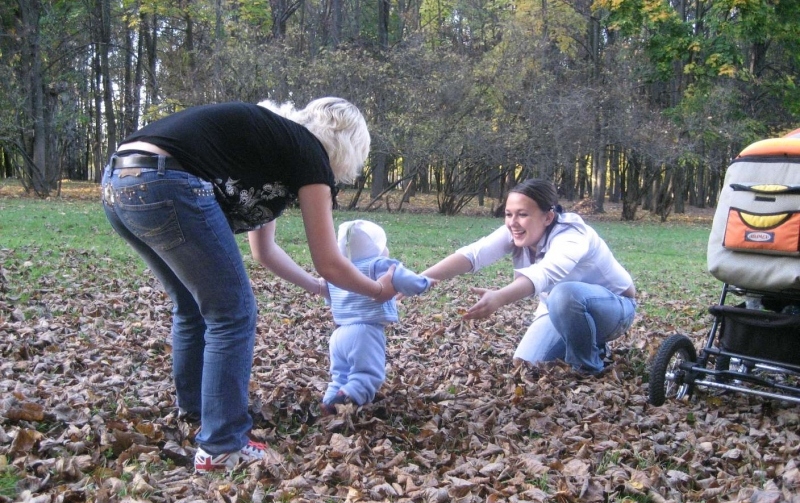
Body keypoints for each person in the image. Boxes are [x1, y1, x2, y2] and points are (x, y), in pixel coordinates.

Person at [101, 97, 398, 473]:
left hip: (120, 183)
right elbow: (329, 259)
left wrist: (317, 286)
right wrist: (377, 290)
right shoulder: (309, 153)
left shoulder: (274, 148)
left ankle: (199, 411)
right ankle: (222, 445)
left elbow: (265, 251)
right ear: (349, 146)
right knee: (233, 313)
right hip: (166, 181)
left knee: (193, 306)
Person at [420, 178, 636, 375]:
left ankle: (588, 367)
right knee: (525, 365)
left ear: (548, 217)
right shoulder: (516, 232)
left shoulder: (573, 234)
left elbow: (545, 273)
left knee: (564, 293)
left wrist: (499, 298)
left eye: (522, 214)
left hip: (615, 309)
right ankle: (585, 343)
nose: (513, 222)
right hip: (558, 309)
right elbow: (474, 255)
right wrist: (418, 279)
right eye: (508, 214)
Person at [321, 220, 433, 415]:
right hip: (365, 332)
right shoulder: (378, 265)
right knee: (368, 374)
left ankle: (330, 399)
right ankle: (348, 397)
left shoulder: (338, 272)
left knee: (340, 374)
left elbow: (330, 299)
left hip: (338, 335)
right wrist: (425, 282)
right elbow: (405, 279)